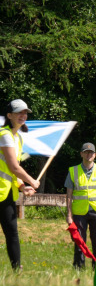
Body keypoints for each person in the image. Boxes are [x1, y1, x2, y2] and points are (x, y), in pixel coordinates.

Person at [0, 99, 40, 269]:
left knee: (12, 232)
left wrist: (22, 186)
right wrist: (32, 181)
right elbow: (14, 167)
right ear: (9, 115)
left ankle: (17, 270)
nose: (23, 115)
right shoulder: (4, 135)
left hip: (6, 192)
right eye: (18, 112)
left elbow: (13, 171)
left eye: (25, 113)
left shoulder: (18, 138)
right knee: (11, 232)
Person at [65, 143, 96, 268]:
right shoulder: (73, 171)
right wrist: (69, 216)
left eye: (91, 152)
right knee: (79, 242)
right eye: (86, 152)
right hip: (79, 212)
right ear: (81, 154)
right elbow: (69, 195)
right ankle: (79, 268)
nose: (88, 154)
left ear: (94, 155)